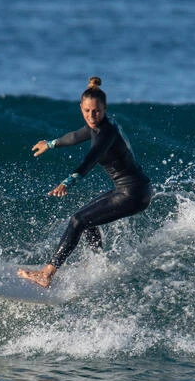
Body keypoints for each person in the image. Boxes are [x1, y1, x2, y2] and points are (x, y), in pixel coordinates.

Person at [18, 77, 152, 288]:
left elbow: (90, 159)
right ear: (81, 108)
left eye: (96, 111)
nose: (91, 116)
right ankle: (97, 265)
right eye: (87, 111)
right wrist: (50, 144)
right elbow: (74, 136)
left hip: (132, 193)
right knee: (86, 221)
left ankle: (47, 273)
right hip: (131, 189)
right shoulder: (96, 126)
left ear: (104, 109)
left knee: (77, 221)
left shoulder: (105, 132)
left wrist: (67, 182)